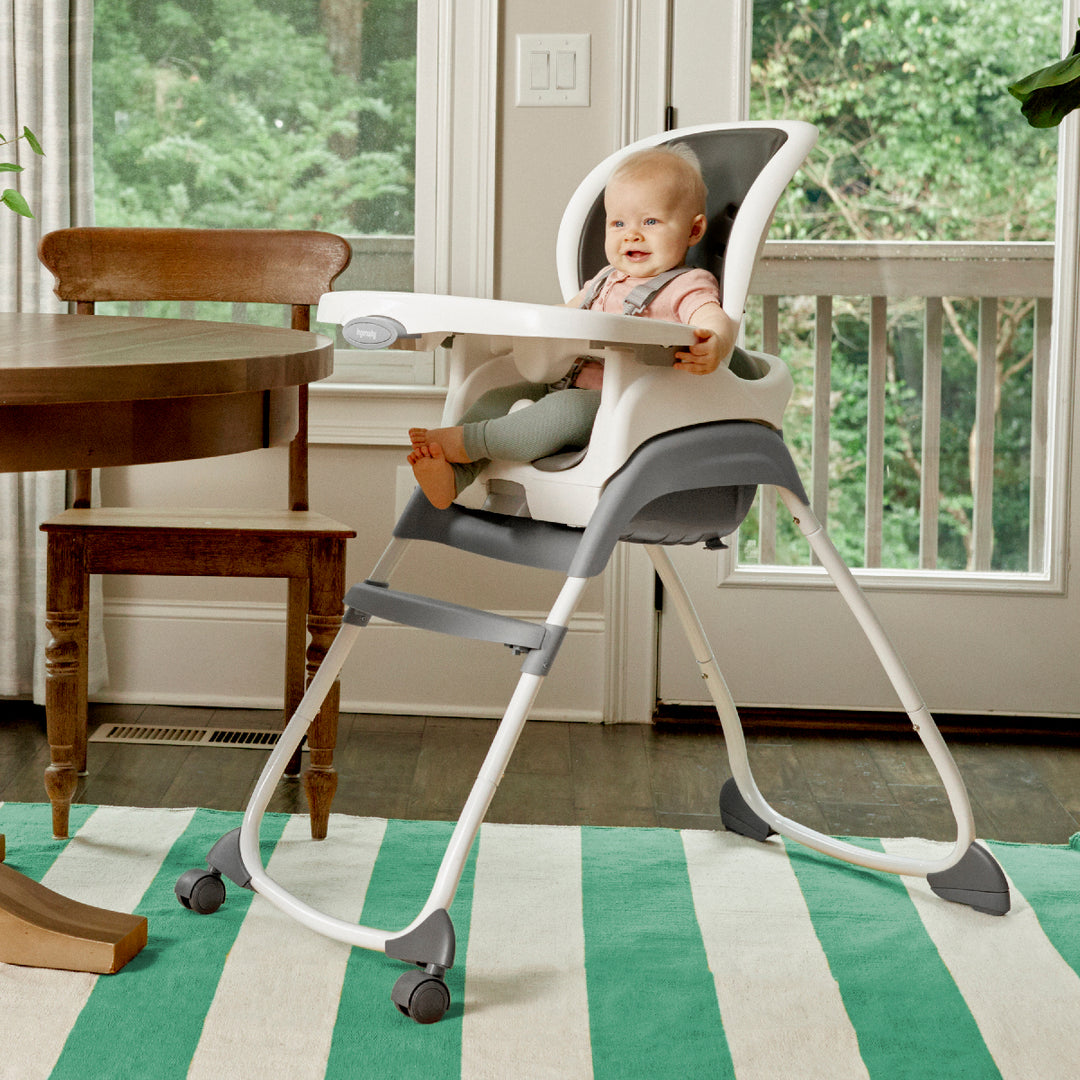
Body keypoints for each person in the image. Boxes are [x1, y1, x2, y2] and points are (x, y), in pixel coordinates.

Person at [407, 143, 738, 509]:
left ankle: (470, 442)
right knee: (494, 398)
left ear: (694, 231)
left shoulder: (685, 285)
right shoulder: (603, 280)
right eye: (619, 223)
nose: (632, 234)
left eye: (650, 222)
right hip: (563, 381)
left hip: (619, 405)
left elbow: (712, 317)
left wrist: (715, 343)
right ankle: (453, 477)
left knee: (560, 415)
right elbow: (559, 319)